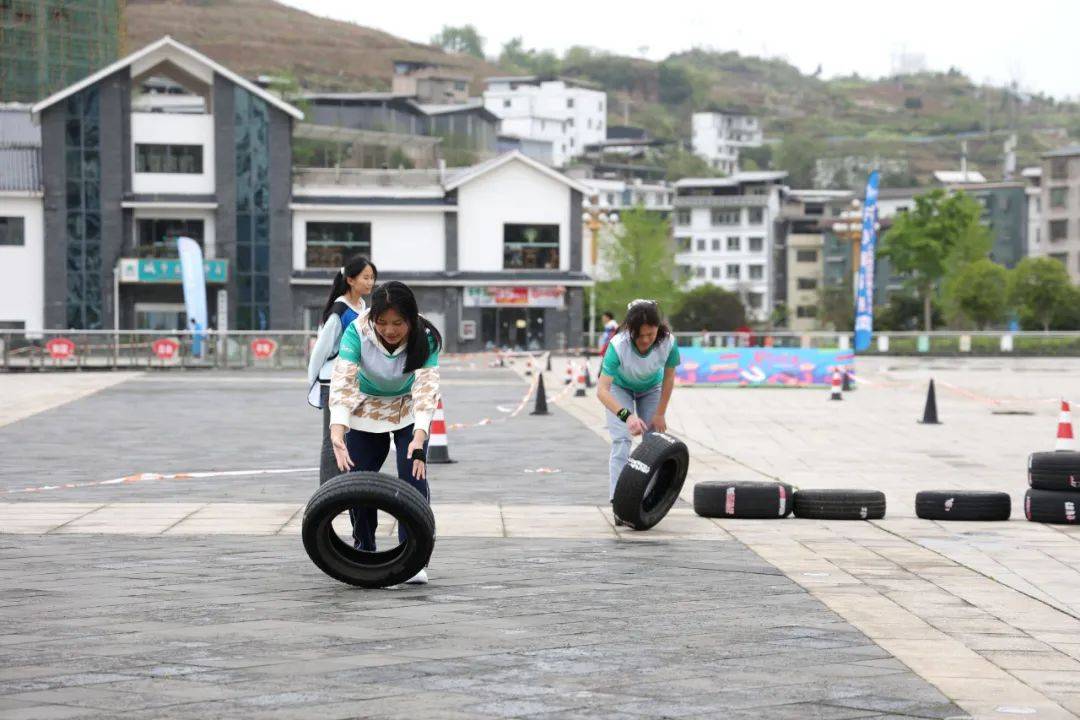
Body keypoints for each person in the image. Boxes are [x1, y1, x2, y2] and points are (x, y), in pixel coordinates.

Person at [328, 281, 442, 585]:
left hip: (408, 407)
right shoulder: (357, 332)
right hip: (367, 406)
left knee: (413, 479)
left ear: (411, 318)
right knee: (358, 482)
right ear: (373, 318)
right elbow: (342, 382)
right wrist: (338, 429)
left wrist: (419, 438)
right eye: (382, 322)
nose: (390, 330)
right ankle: (364, 548)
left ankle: (415, 557)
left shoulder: (426, 337)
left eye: (398, 323)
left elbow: (426, 390)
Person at [596, 299, 680, 524]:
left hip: (651, 388)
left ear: (658, 329)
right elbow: (602, 391)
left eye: (650, 335)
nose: (644, 340)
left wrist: (660, 413)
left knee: (653, 444)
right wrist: (627, 416)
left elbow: (669, 378)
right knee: (621, 441)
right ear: (630, 331)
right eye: (639, 335)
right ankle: (618, 503)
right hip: (619, 387)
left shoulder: (668, 343)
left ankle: (648, 498)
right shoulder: (618, 345)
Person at [307, 256, 377, 484]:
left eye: (372, 278)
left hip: (355, 381)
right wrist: (313, 382)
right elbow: (321, 350)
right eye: (365, 277)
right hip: (333, 381)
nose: (370, 283)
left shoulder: (362, 308)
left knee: (350, 436)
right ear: (350, 279)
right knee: (333, 440)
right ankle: (327, 494)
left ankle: (346, 489)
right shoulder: (339, 311)